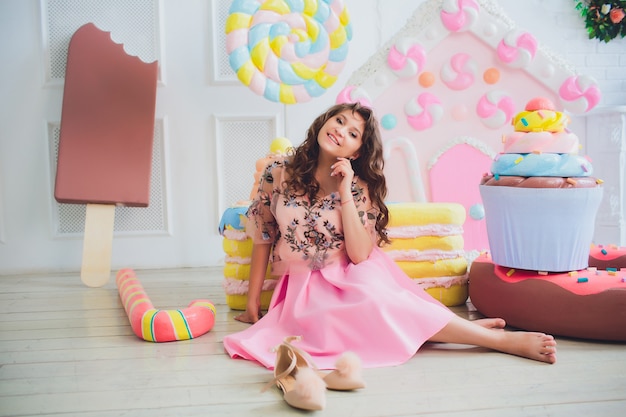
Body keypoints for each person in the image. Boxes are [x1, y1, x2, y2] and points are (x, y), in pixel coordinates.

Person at [223, 102, 557, 371]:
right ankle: (443, 332)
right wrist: (253, 302)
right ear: (323, 122)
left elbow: (357, 254)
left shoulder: (357, 185)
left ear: (356, 151)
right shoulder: (278, 171)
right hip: (303, 285)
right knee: (342, 319)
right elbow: (264, 234)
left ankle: (499, 342)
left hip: (353, 270)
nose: (340, 131)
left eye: (352, 132)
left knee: (376, 301)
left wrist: (344, 190)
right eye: (338, 121)